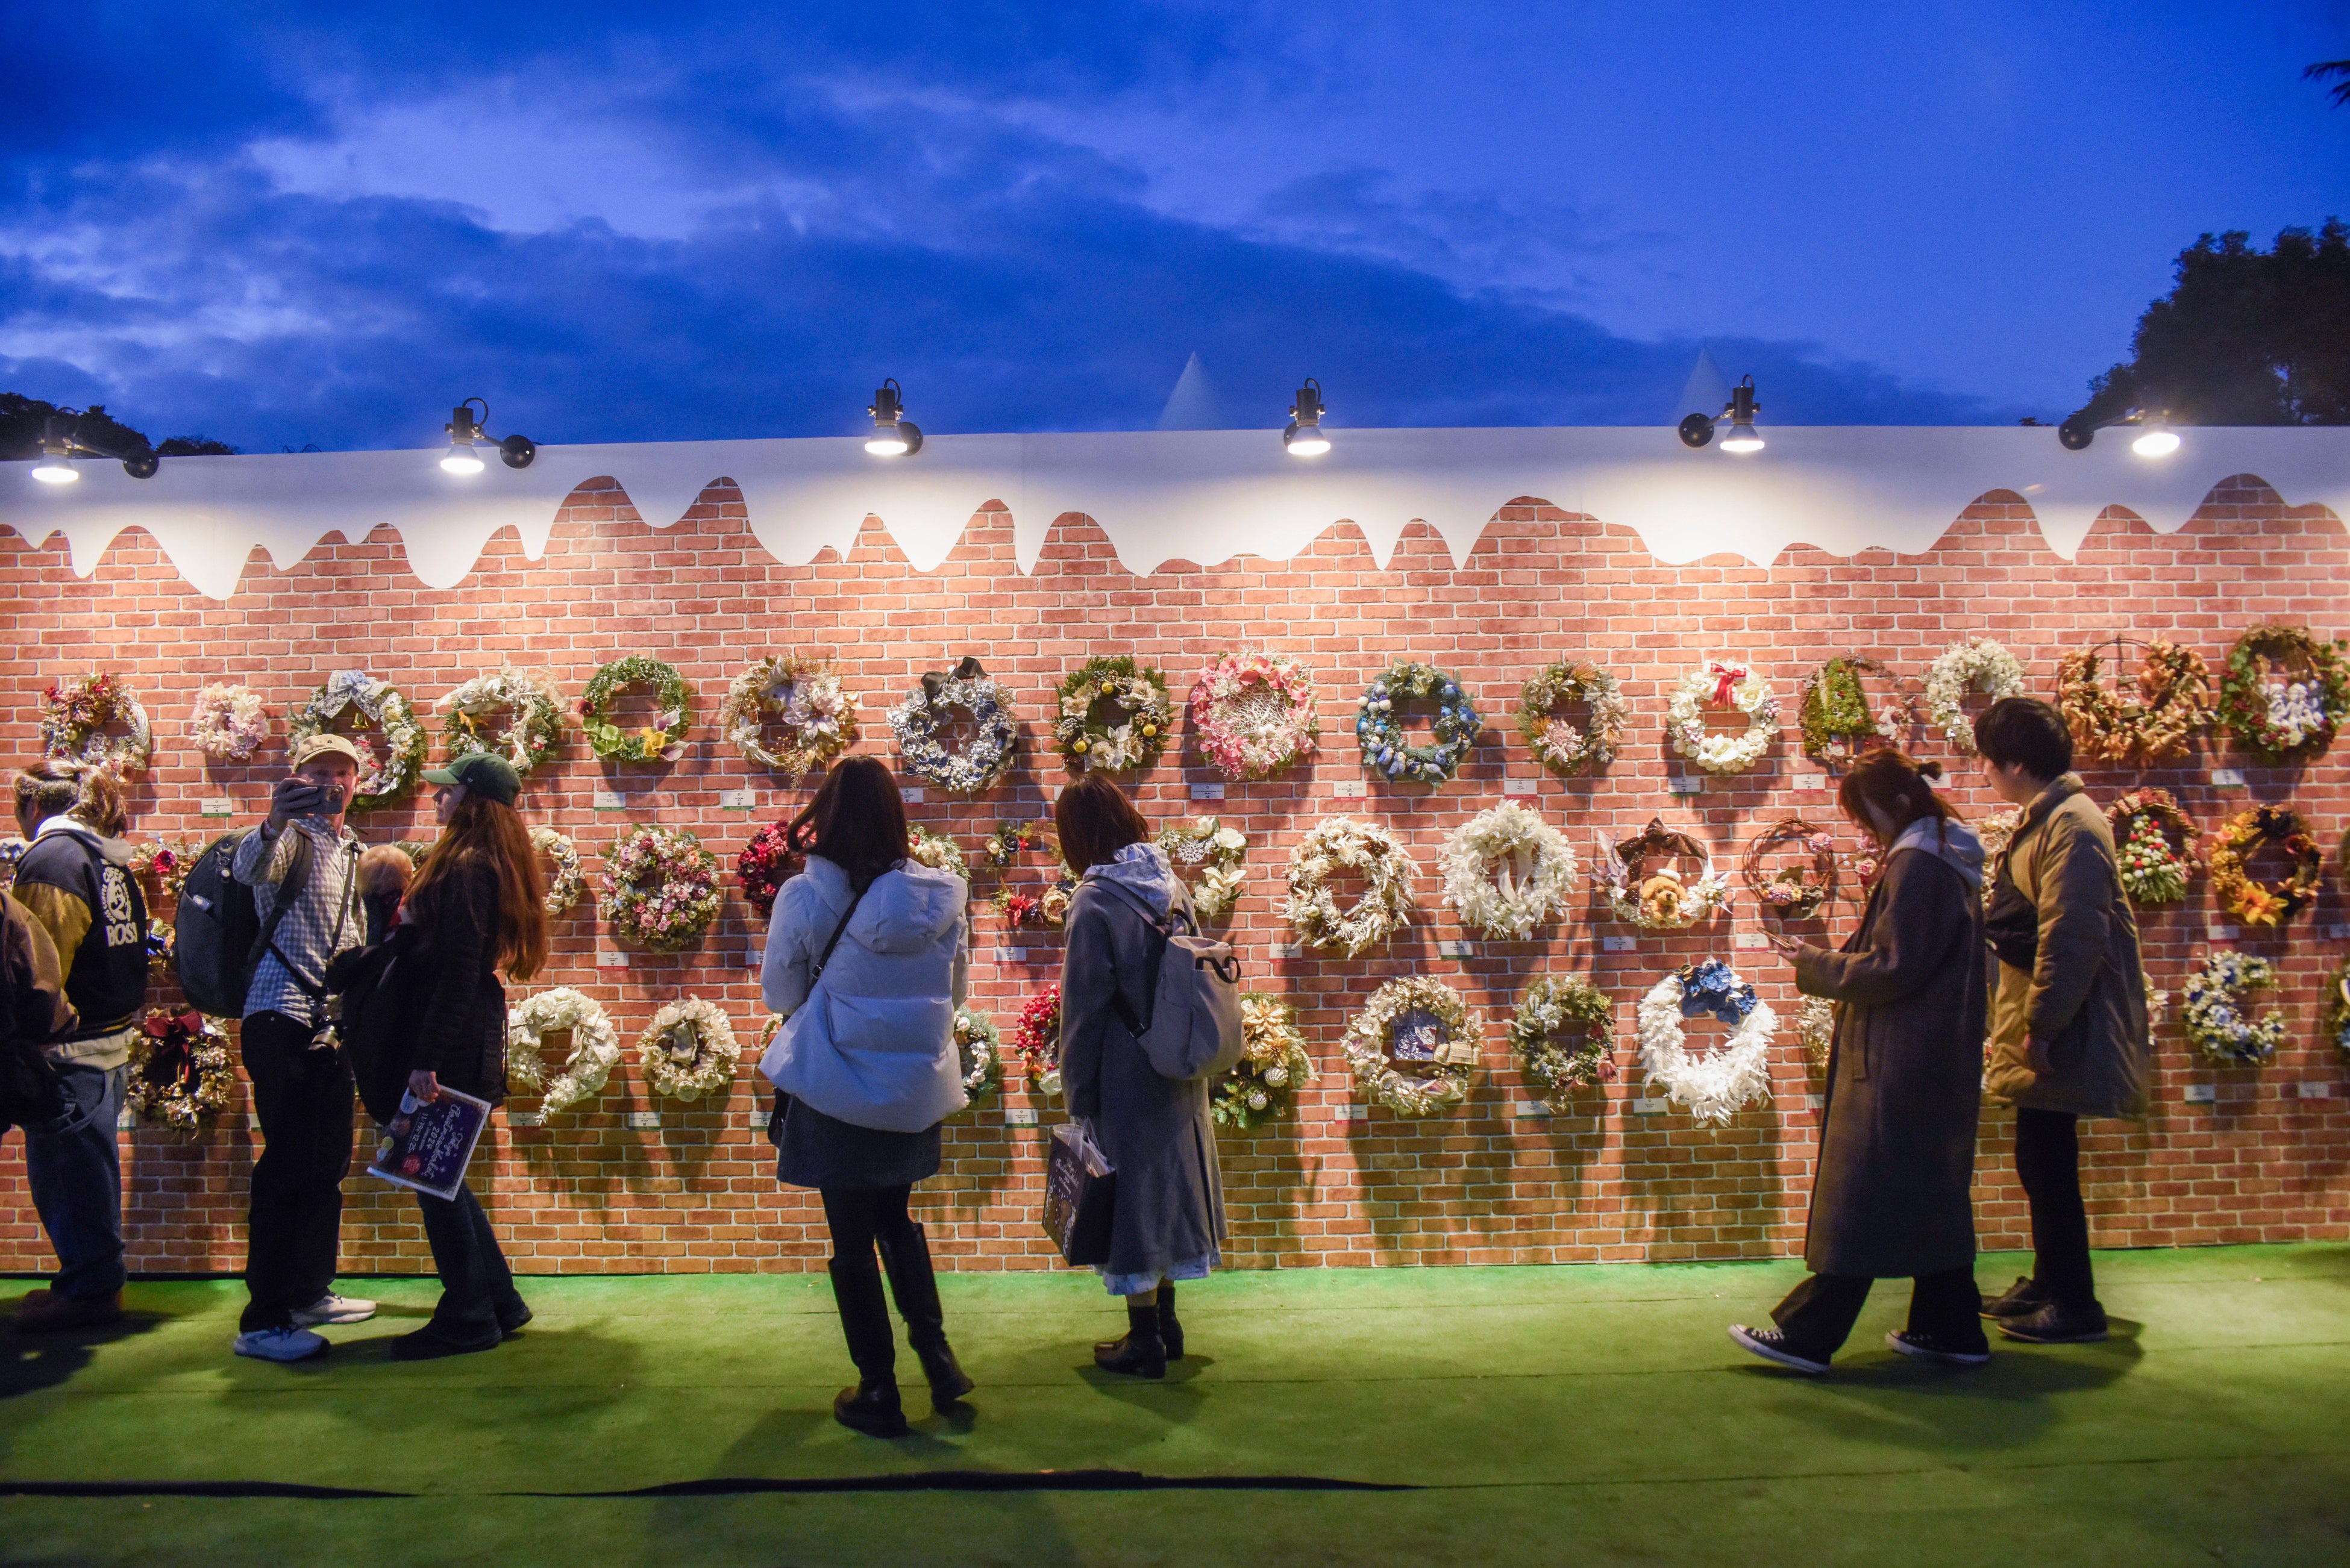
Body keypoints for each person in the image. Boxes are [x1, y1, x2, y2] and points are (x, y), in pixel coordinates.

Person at [1729, 751, 1990, 1374]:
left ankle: (1809, 1333)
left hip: (1900, 1055)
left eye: (1865, 813)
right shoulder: (1941, 855)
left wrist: (1817, 964)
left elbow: (1894, 966)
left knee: (1863, 1192)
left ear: (1896, 803)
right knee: (1929, 1194)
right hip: (1930, 1052)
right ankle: (1951, 1325)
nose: (1864, 828)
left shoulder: (1919, 864)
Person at [761, 756, 974, 1437]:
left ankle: (879, 1389)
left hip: (834, 1084)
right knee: (896, 1219)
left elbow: (780, 994)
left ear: (825, 813)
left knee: (851, 1240)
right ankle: (937, 1356)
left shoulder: (805, 896)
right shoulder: (938, 897)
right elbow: (955, 993)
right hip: (911, 1087)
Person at [1975, 696, 2149, 1345]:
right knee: (2040, 1153)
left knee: (2047, 1161)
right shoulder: (2049, 817)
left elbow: (2071, 933)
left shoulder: (2073, 824)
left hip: (2064, 1021)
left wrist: (2043, 1025)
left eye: (1989, 759)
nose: (1984, 770)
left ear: (2018, 763)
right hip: (2040, 1013)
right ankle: (2051, 1281)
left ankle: (2075, 1300)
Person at [1054, 772, 1225, 1380]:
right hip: (1179, 1064)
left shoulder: (1094, 901)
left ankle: (1144, 1336)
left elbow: (1083, 1007)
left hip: (1124, 1071)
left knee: (1130, 1197)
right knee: (1169, 1189)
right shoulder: (1173, 887)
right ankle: (1168, 1325)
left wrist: (1078, 1090)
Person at [229, 734, 376, 1362]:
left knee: (327, 1164)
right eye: (318, 773)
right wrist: (273, 819)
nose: (331, 782)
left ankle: (308, 1291)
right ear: (297, 781)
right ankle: (263, 1320)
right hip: (280, 1017)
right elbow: (250, 867)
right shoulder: (290, 837)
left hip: (329, 1027)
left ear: (358, 781)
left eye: (342, 771)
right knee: (287, 1166)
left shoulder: (354, 850)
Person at [390, 752, 541, 1360]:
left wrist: (426, 1056)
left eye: (448, 791)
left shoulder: (469, 866)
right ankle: (497, 1301)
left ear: (474, 800)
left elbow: (458, 970)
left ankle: (469, 1317)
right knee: (441, 1176)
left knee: (431, 1177)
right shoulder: (485, 862)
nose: (438, 798)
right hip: (466, 1034)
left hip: (453, 1044)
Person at [6, 761, 131, 1331]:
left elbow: (37, 963)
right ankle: (90, 1280)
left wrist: (29, 1036)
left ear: (33, 806)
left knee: (70, 1175)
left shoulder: (52, 859)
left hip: (69, 1048)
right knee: (89, 1172)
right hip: (106, 1040)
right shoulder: (103, 854)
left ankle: (88, 1290)